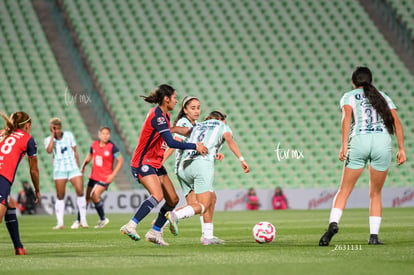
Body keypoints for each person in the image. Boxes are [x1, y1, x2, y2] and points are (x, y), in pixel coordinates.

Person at [319, 66, 406, 246]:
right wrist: (402, 149)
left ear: (353, 81)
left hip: (359, 140)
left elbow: (346, 119)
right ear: (370, 80)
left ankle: (333, 224)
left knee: (344, 190)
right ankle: (373, 236)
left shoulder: (349, 96)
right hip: (382, 142)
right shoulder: (383, 96)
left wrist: (344, 146)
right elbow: (397, 123)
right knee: (375, 193)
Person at [120, 84, 208, 246]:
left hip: (155, 162)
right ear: (166, 99)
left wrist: (193, 130)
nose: (176, 101)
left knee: (173, 199)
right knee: (157, 195)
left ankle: (155, 231)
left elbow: (172, 131)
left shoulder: (164, 116)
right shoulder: (158, 117)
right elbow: (170, 142)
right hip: (143, 161)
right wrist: (195, 146)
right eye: (174, 98)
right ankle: (131, 225)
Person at [165, 111, 250, 245]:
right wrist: (242, 159)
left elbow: (182, 132)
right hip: (202, 166)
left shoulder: (198, 126)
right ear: (221, 119)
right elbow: (230, 140)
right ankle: (175, 215)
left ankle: (207, 235)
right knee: (203, 205)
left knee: (209, 198)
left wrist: (169, 128)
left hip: (184, 166)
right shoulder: (222, 126)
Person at [163, 96, 224, 239]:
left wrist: (214, 154)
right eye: (193, 108)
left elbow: (196, 146)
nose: (197, 111)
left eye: (198, 108)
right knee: (208, 198)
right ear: (185, 110)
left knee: (193, 205)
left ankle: (159, 224)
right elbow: (175, 142)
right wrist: (162, 160)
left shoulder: (195, 124)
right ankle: (207, 236)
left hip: (184, 167)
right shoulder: (184, 123)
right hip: (187, 166)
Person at [0, 112, 40, 255]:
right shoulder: (28, 139)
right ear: (27, 125)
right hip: (2, 176)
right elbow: (34, 170)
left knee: (10, 204)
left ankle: (19, 248)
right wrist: (37, 190)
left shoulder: (2, 133)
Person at [44, 118, 88, 230]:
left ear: (60, 127)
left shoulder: (69, 135)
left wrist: (79, 167)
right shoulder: (49, 139)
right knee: (60, 195)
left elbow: (75, 151)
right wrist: (53, 135)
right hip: (59, 169)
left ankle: (83, 220)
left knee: (80, 192)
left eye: (57, 128)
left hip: (72, 167)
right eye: (54, 128)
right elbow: (49, 151)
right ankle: (60, 223)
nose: (56, 130)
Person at [78, 126, 123, 228]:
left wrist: (113, 175)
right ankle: (81, 220)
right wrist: (84, 164)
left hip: (105, 177)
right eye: (103, 133)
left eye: (107, 134)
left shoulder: (112, 147)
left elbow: (120, 160)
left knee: (95, 195)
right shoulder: (94, 145)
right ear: (99, 135)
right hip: (93, 176)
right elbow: (90, 155)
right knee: (87, 198)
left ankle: (103, 218)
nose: (105, 136)